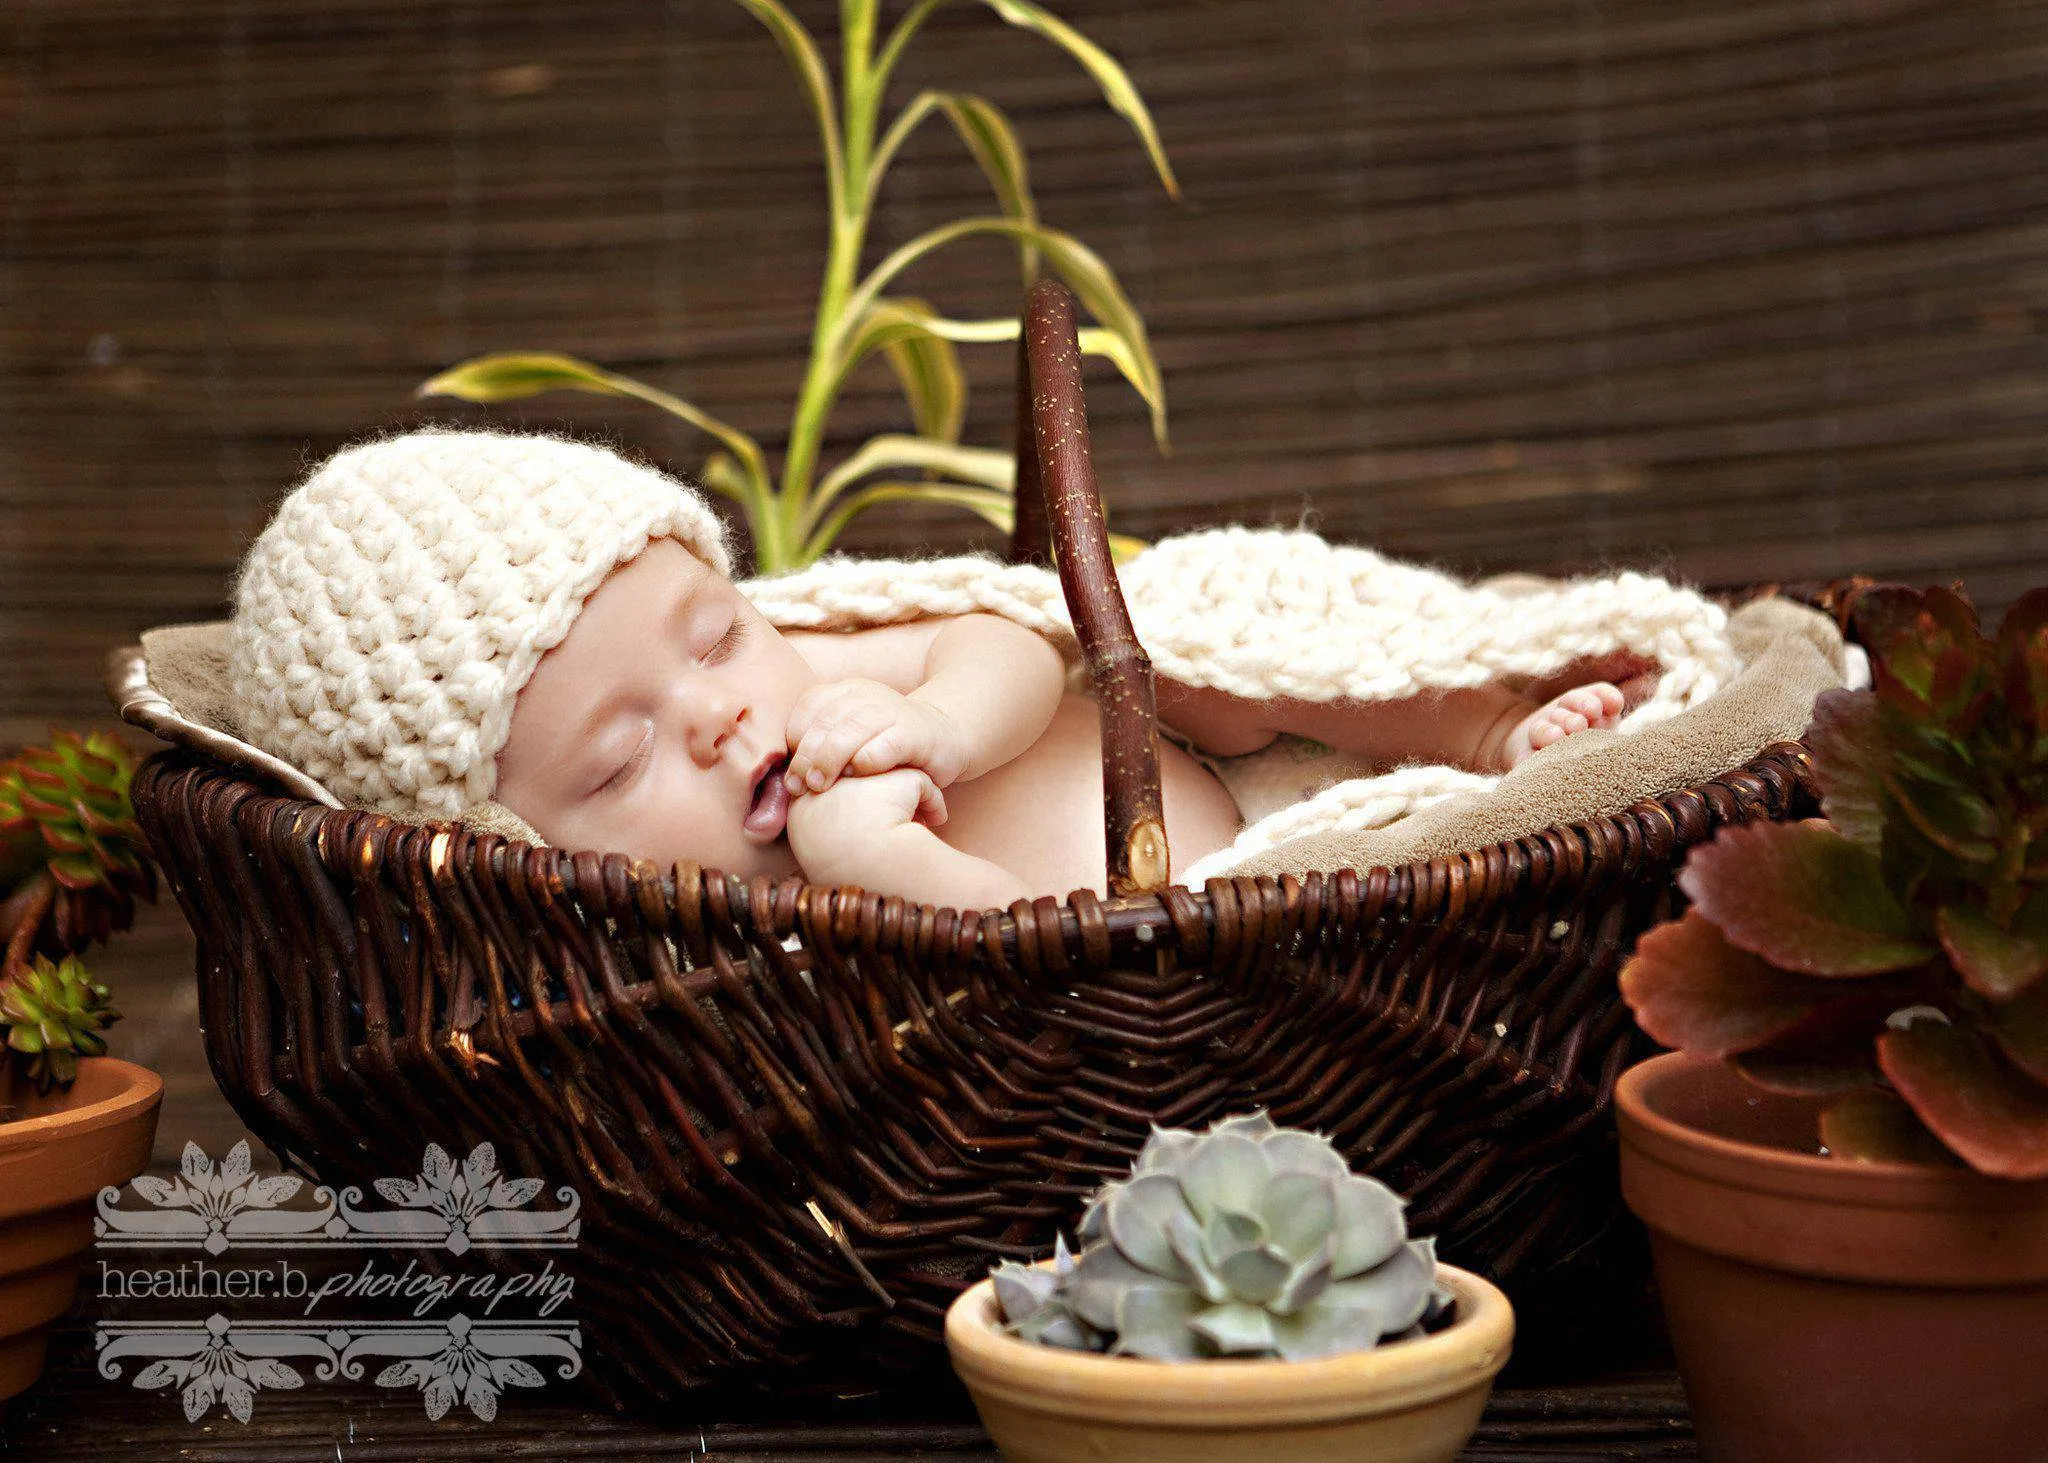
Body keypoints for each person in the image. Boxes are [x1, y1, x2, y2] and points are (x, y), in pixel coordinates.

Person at [230, 429, 1634, 908]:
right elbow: (1035, 973)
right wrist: (888, 869)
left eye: (716, 633)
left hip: (1231, 759)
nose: (720, 712)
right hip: (1252, 904)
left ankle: (1474, 707)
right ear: (509, 844)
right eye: (620, 760)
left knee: (1192, 635)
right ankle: (1463, 780)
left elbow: (1015, 631)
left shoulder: (823, 671)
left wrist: (939, 726)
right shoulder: (721, 955)